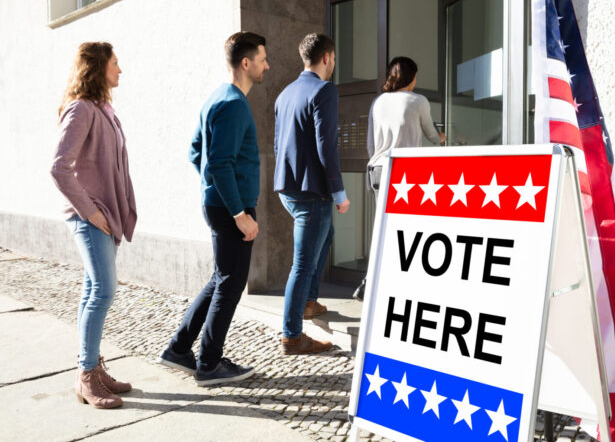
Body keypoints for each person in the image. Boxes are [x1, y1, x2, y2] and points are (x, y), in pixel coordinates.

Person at [157, 32, 268, 386]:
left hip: (220, 203)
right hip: (231, 209)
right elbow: (218, 164)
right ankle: (209, 364)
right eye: (263, 59)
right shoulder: (234, 103)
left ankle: (179, 348)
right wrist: (240, 214)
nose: (267, 65)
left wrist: (212, 189)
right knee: (231, 285)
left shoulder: (216, 98)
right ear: (245, 63)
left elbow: (195, 151)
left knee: (221, 278)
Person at [51, 42, 137, 409]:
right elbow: (58, 167)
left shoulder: (103, 108)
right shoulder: (81, 109)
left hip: (102, 213)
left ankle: (93, 368)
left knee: (93, 292)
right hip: (90, 216)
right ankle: (86, 376)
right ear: (98, 67)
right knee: (103, 292)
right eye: (116, 63)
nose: (121, 69)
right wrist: (90, 212)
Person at [274, 33, 350, 355]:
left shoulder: (284, 94)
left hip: (288, 189)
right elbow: (325, 146)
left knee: (326, 234)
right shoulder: (324, 90)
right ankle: (292, 335)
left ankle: (308, 301)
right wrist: (339, 193)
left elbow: (279, 145)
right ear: (328, 57)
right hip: (312, 191)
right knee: (302, 264)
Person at [354, 56, 447, 301]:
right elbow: (432, 135)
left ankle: (369, 282)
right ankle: (404, 285)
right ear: (411, 77)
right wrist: (442, 137)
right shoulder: (418, 101)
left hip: (377, 170)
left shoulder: (378, 102)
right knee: (408, 231)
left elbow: (370, 143)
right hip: (405, 173)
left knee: (384, 229)